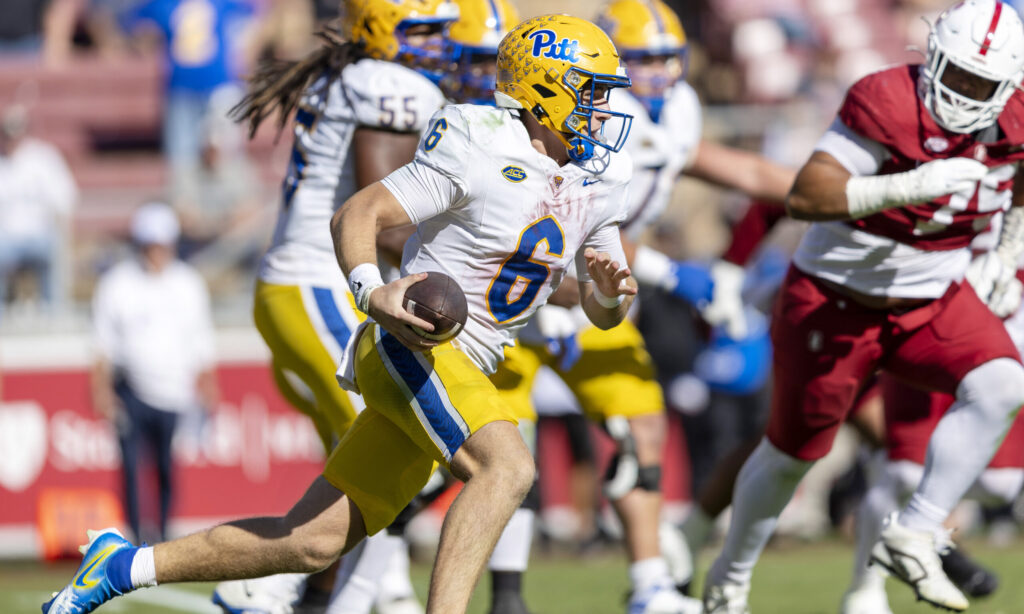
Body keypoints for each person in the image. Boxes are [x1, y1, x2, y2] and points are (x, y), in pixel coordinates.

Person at [42, 13, 640, 614]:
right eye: (591, 92)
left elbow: (603, 309)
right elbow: (358, 213)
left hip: (465, 369)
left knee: (311, 541)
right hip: (416, 348)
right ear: (544, 90)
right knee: (507, 467)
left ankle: (125, 565)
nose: (602, 110)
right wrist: (370, 290)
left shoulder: (599, 177)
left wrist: (610, 295)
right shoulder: (482, 142)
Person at [701, 2, 1024, 612]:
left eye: (982, 84)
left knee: (1004, 383)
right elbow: (805, 194)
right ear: (931, 58)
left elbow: (1021, 173)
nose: (963, 93)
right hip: (835, 299)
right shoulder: (887, 99)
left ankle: (916, 531)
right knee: (793, 455)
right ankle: (730, 574)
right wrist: (900, 187)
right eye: (955, 75)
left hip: (931, 299)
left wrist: (1008, 249)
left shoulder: (1016, 116)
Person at [208, 1, 456, 612]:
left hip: (299, 284)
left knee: (360, 467)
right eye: (419, 28)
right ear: (379, 30)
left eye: (439, 30)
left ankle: (320, 593)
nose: (436, 43)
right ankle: (267, 581)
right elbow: (380, 208)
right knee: (396, 448)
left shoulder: (354, 74)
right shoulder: (389, 83)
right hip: (318, 282)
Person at [90, 202, 219, 542]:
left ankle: (160, 536)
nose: (156, 253)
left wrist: (208, 387)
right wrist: (101, 390)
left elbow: (201, 342)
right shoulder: (118, 283)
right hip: (130, 387)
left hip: (174, 392)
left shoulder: (188, 284)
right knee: (131, 466)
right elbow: (103, 344)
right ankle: (134, 535)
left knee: (165, 467)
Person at [0, 103, 77, 312]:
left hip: (41, 234)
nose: (12, 139)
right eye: (7, 133)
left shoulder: (44, 159)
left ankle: (53, 314)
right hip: (5, 238)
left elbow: (65, 199)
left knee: (55, 249)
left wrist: (59, 226)